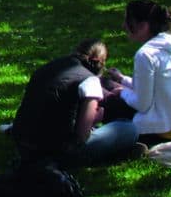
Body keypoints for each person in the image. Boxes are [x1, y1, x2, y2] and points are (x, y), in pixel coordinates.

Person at [9, 38, 140, 167]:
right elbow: (82, 137)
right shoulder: (90, 81)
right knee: (129, 128)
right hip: (56, 151)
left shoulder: (48, 67)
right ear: (99, 63)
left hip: (21, 143)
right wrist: (95, 118)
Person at [104, 0, 171, 145]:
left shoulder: (145, 54)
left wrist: (121, 92)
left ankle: (127, 142)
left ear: (144, 26)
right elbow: (154, 88)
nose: (123, 26)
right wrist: (122, 79)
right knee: (110, 84)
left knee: (106, 96)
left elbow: (142, 104)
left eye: (128, 21)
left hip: (159, 130)